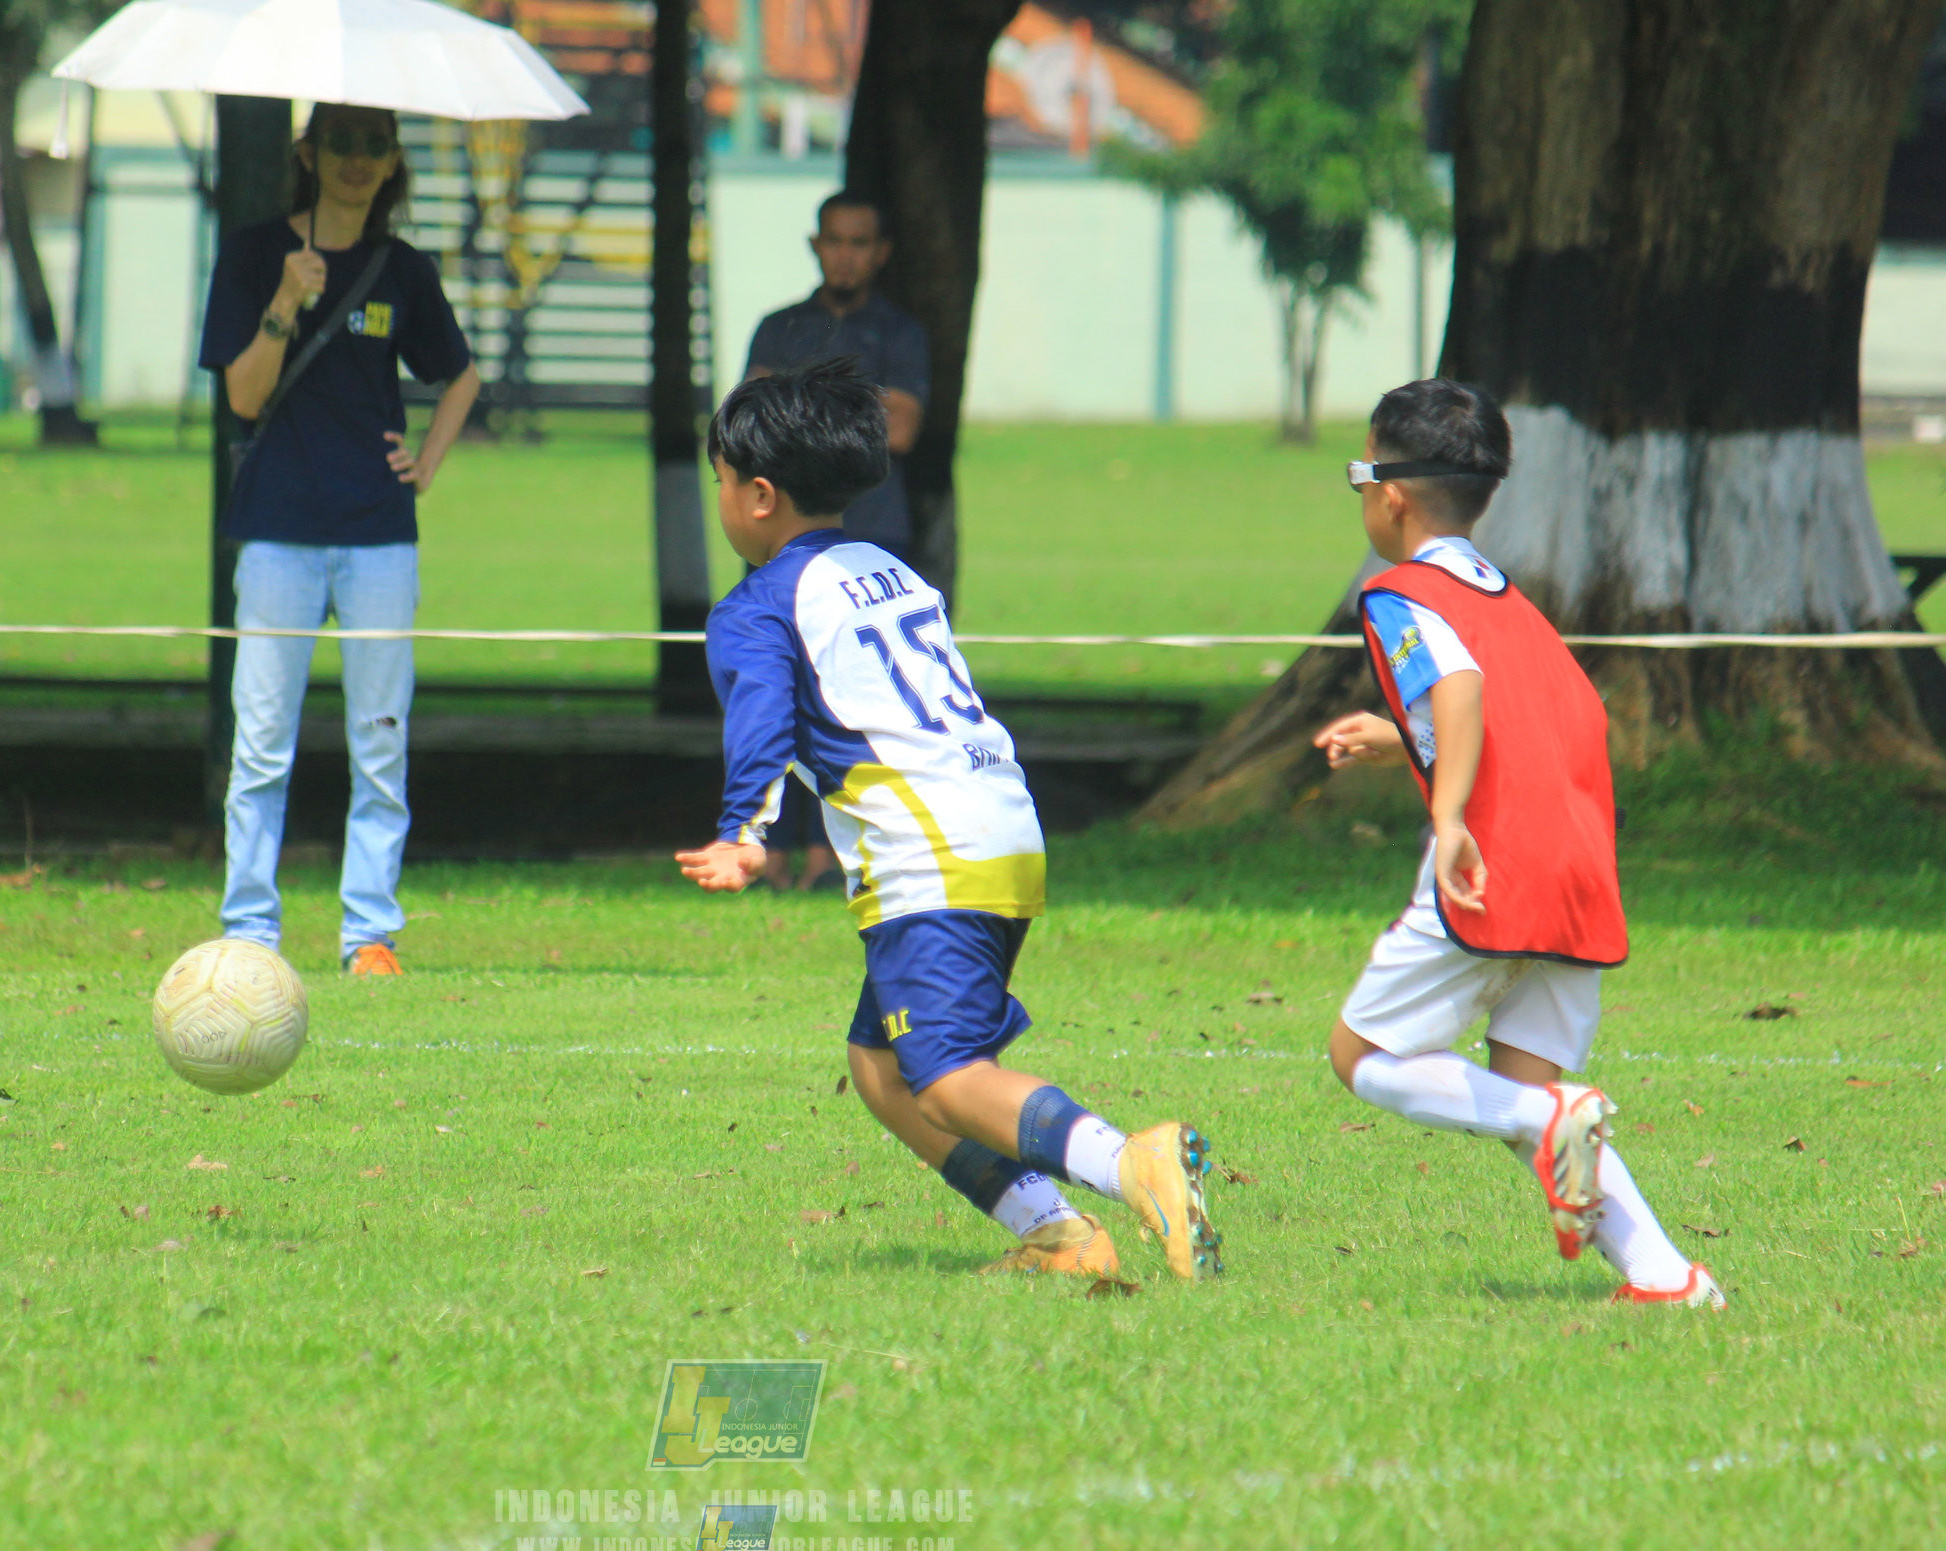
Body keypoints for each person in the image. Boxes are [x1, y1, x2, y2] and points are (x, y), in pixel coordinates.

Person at [677, 359, 1223, 1282]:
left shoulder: (756, 606)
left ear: (759, 494)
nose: (721, 497)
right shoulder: (883, 566)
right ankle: (1061, 1238)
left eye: (721, 480)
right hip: (1001, 825)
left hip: (928, 855)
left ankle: (1129, 1161)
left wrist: (744, 832)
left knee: (943, 1074)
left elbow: (762, 717)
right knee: (880, 1069)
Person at [1314, 378, 1723, 1309]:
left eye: (1358, 474)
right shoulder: (1509, 601)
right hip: (1578, 869)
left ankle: (1553, 1120)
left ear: (1392, 493)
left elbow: (1455, 689)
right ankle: (1665, 1274)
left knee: (1363, 1056)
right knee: (1520, 1086)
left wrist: (1449, 812)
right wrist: (1400, 739)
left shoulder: (1397, 591)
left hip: (1492, 863)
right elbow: (1539, 716)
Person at [198, 104, 481, 977]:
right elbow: (243, 399)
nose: (358, 161)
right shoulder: (252, 254)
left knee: (380, 735)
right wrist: (286, 299)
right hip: (278, 531)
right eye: (342, 144)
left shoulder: (403, 269)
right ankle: (249, 926)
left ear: (392, 160)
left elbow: (460, 375)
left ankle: (369, 933)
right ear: (308, 154)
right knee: (261, 740)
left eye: (374, 145)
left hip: (377, 538)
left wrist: (425, 462)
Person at [742, 192, 929, 565]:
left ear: (881, 251)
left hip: (875, 533)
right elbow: (750, 428)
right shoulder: (779, 328)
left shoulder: (901, 333)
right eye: (834, 241)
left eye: (859, 243)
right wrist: (861, 407)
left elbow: (900, 430)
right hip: (783, 533)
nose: (845, 256)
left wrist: (793, 405)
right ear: (815, 245)